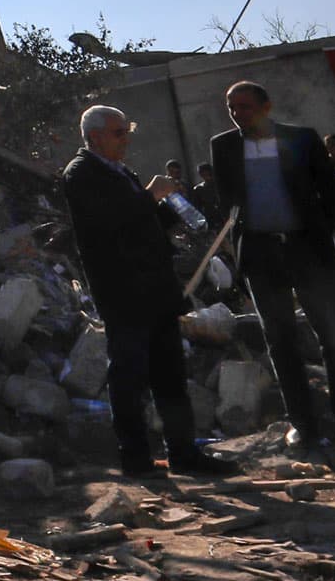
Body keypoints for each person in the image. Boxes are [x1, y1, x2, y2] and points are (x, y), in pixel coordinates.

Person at [60, 106, 237, 477]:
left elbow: (143, 224)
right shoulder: (81, 174)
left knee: (169, 374)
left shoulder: (121, 172)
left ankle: (183, 452)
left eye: (127, 131)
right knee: (129, 375)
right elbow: (108, 225)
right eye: (119, 133)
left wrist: (172, 207)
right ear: (95, 137)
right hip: (123, 291)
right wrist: (149, 196)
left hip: (154, 288)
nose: (126, 139)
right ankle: (135, 457)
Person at [209, 81, 335, 456]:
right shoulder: (224, 146)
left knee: (332, 340)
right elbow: (228, 201)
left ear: (266, 107)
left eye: (245, 106)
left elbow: (330, 194)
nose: (238, 113)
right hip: (260, 256)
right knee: (280, 341)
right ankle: (303, 425)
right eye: (231, 107)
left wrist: (315, 235)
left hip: (307, 252)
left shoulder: (301, 139)